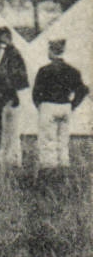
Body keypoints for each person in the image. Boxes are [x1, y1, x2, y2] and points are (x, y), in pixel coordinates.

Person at [32, 39, 88, 170]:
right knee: (63, 142)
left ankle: (49, 170)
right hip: (65, 106)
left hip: (48, 106)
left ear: (51, 51)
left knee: (47, 142)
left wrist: (39, 106)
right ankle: (64, 168)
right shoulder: (73, 71)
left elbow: (36, 93)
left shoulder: (44, 70)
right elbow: (83, 90)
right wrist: (73, 105)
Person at [0, 28, 30, 165]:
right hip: (10, 98)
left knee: (12, 132)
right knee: (9, 132)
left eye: (0, 38)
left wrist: (9, 94)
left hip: (11, 98)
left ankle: (13, 162)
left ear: (7, 37)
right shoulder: (9, 54)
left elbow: (13, 78)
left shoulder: (12, 55)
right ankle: (11, 161)